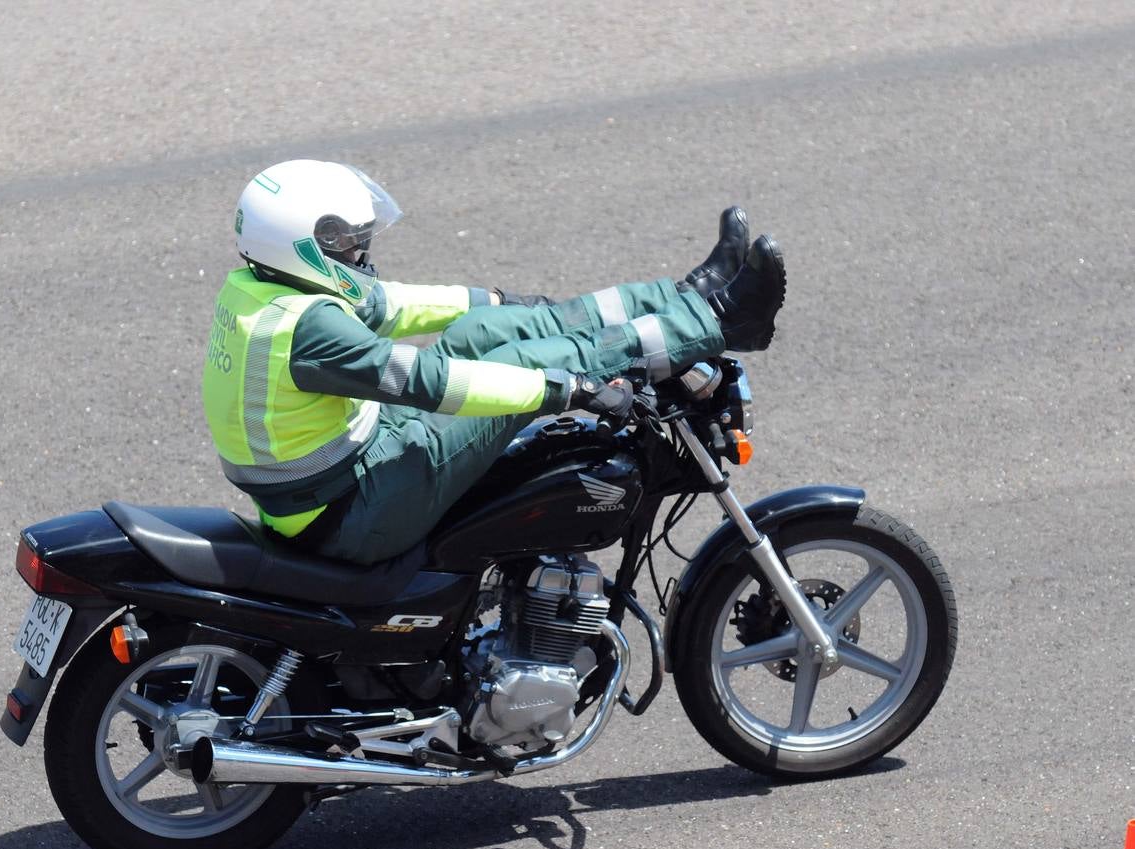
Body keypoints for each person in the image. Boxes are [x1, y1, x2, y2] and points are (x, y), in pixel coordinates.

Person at [202, 159, 785, 565]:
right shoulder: (309, 330)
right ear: (306, 246)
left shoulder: (262, 290)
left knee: (486, 330)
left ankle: (687, 299)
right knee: (536, 365)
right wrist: (570, 391)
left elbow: (391, 304)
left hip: (347, 468)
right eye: (350, 244)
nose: (361, 253)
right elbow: (430, 382)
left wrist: (497, 302)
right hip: (349, 512)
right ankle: (719, 323)